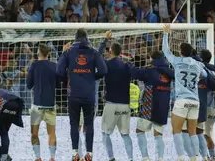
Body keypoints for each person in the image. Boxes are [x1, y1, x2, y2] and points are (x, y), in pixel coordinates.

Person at [57, 28, 107, 161]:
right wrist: (92, 77)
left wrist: (67, 79)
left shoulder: (68, 52)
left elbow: (59, 70)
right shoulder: (93, 52)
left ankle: (75, 153)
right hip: (89, 95)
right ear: (87, 38)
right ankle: (89, 153)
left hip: (73, 93)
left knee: (74, 123)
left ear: (75, 38)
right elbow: (103, 70)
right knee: (89, 123)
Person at [161, 23, 208, 161]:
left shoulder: (176, 61)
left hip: (182, 100)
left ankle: (181, 156)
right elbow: (205, 75)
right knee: (192, 132)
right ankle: (195, 157)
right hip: (195, 101)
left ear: (181, 52)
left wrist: (166, 34)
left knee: (176, 130)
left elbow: (166, 51)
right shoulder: (198, 64)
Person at [131, 49, 174, 161]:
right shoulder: (169, 71)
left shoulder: (148, 70)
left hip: (149, 105)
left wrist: (130, 65)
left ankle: (145, 158)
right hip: (164, 106)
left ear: (152, 58)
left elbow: (135, 73)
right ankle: (160, 158)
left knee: (139, 131)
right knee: (158, 134)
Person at [97, 31, 134, 161]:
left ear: (111, 51)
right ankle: (130, 159)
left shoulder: (106, 64)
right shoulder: (127, 66)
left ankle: (111, 158)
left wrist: (105, 40)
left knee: (105, 134)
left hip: (111, 104)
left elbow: (97, 55)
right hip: (125, 105)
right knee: (125, 135)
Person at [26, 43, 58, 161]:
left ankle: (38, 158)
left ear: (38, 53)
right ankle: (52, 157)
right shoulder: (55, 66)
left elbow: (29, 85)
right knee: (52, 133)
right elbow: (59, 82)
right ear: (48, 53)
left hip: (37, 105)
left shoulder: (34, 65)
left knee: (34, 134)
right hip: (51, 104)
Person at [195, 50, 215, 160]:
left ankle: (208, 157)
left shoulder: (204, 71)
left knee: (202, 134)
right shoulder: (213, 70)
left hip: (206, 107)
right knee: (206, 134)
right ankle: (211, 157)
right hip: (213, 107)